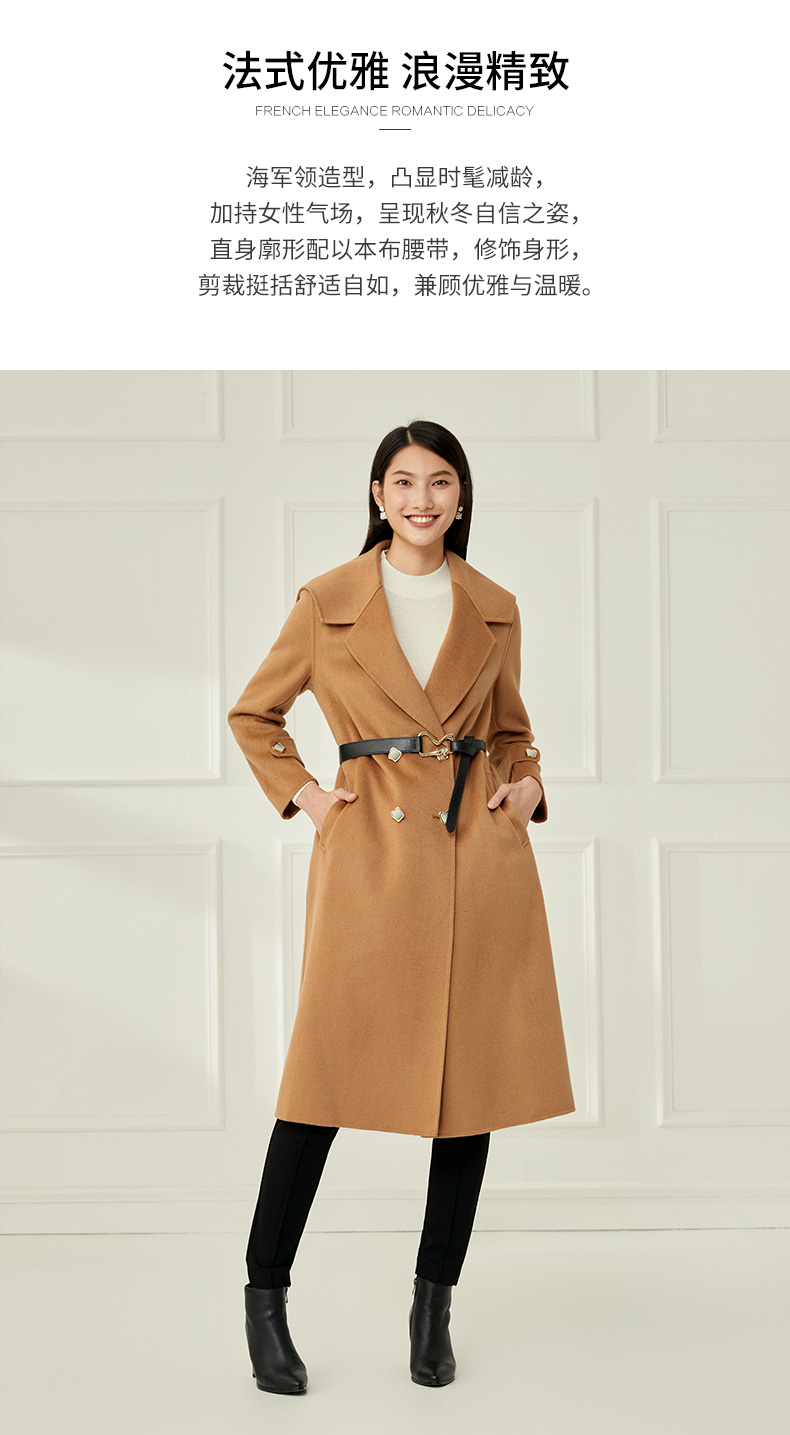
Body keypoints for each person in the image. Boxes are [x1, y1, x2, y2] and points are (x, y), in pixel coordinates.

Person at [227, 420, 575, 1395]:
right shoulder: (328, 600)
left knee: (470, 1093)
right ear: (377, 494)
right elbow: (255, 712)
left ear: (461, 498)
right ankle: (265, 1296)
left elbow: (512, 731)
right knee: (320, 1084)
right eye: (404, 482)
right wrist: (306, 795)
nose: (422, 499)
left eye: (441, 482)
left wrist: (526, 787)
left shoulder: (493, 606)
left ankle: (433, 1307)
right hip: (371, 859)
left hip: (476, 859)